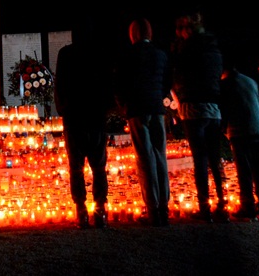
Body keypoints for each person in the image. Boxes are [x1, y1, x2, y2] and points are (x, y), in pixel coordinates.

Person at [54, 19, 113, 229]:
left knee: (76, 167)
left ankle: (81, 211)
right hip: (95, 117)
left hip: (75, 117)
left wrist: (63, 109)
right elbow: (107, 84)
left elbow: (59, 84)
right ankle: (100, 211)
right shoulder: (99, 52)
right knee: (98, 167)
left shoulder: (66, 54)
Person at [170, 11, 227, 222]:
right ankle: (222, 203)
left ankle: (204, 206)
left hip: (192, 108)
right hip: (213, 107)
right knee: (214, 157)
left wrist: (180, 95)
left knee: (200, 159)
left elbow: (179, 76)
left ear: (187, 30)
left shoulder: (186, 50)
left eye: (180, 30)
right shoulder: (213, 50)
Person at [114, 17, 171, 227]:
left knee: (145, 159)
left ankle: (153, 208)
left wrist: (124, 106)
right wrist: (158, 96)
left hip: (137, 110)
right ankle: (164, 207)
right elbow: (167, 82)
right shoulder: (160, 55)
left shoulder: (128, 55)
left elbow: (120, 83)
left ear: (133, 35)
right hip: (157, 108)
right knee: (160, 157)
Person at [220, 56, 259, 221]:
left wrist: (223, 130)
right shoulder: (250, 81)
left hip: (239, 131)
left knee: (245, 171)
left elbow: (225, 108)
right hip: (258, 128)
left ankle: (248, 207)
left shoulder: (226, 84)